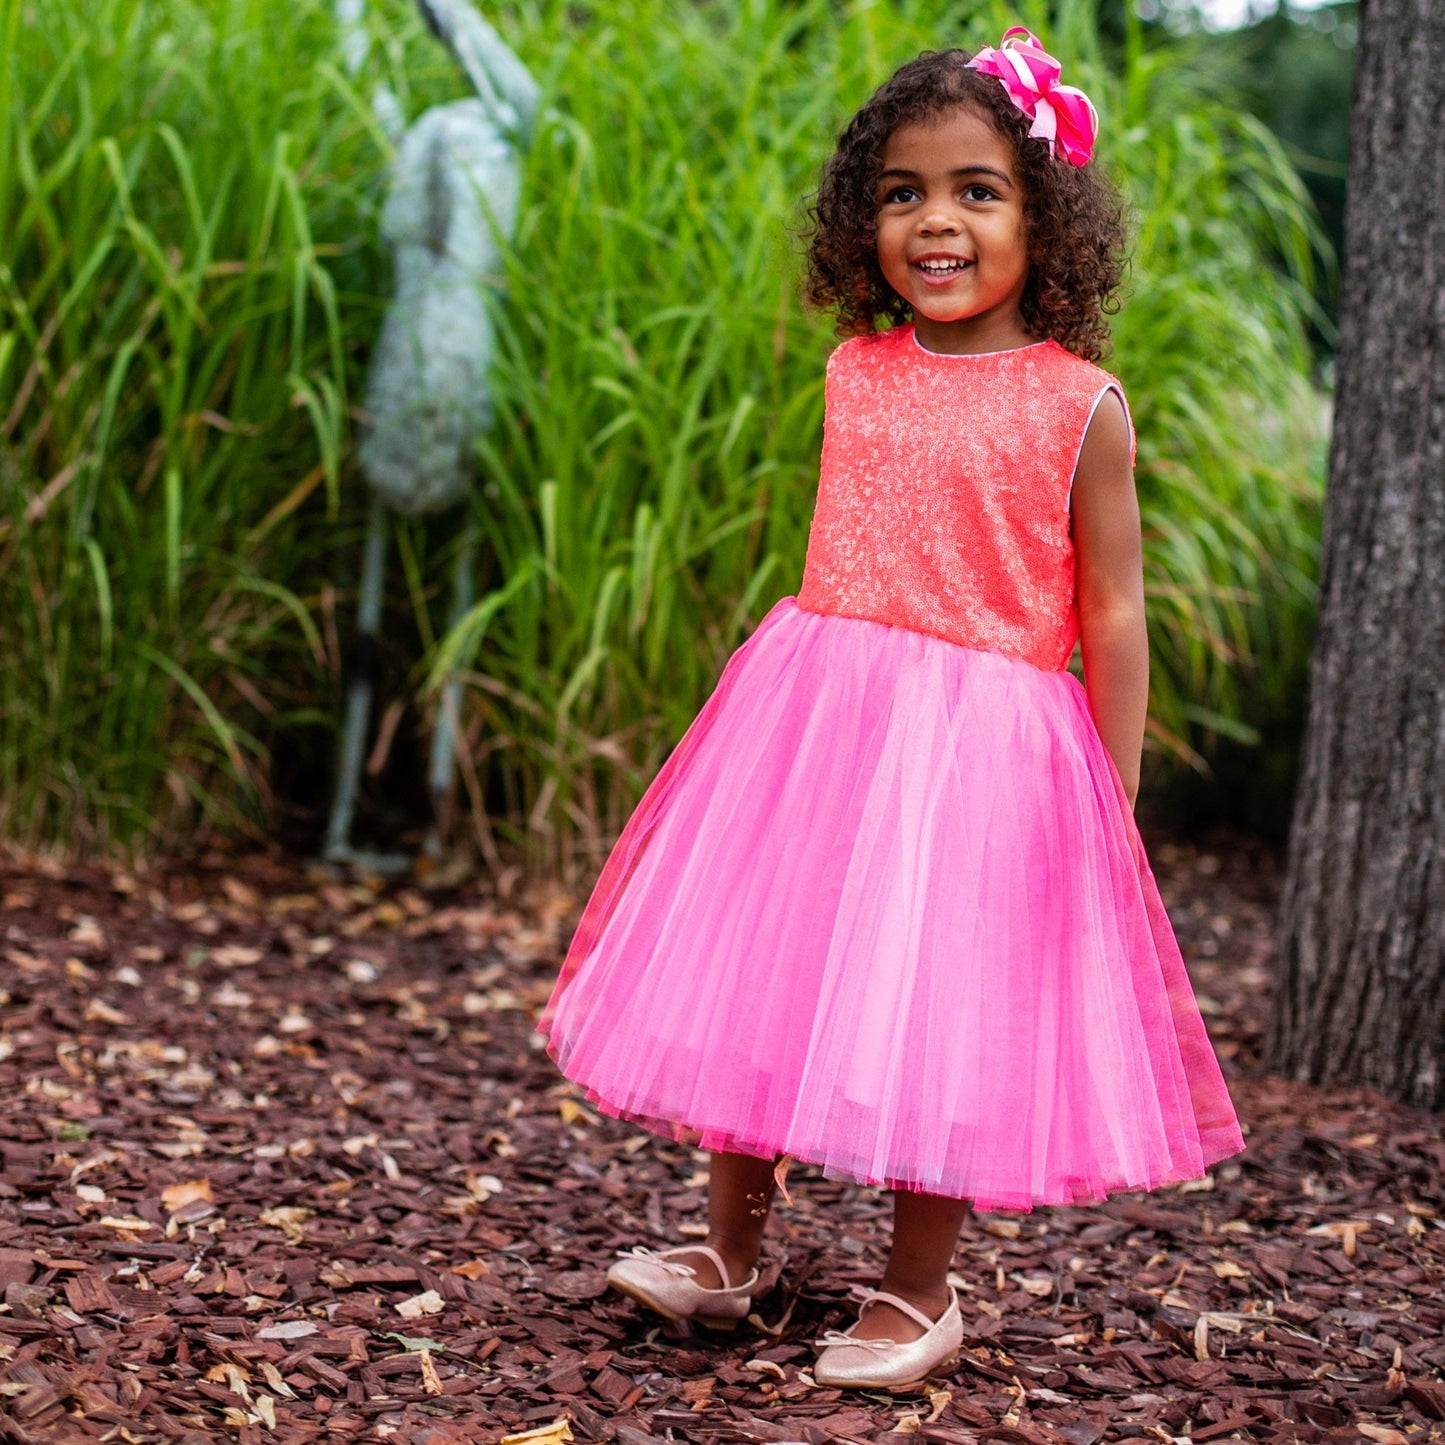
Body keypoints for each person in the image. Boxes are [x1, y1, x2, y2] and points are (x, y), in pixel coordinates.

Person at [537, 29, 1244, 1391]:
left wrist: (1107, 794)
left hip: (987, 757)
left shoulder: (1077, 404)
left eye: (979, 189)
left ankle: (917, 1288)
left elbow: (1109, 614)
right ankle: (733, 1255)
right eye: (903, 190)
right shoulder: (853, 370)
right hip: (818, 731)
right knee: (769, 968)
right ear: (862, 219)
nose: (937, 220)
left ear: (1045, 217)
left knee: (946, 1006)